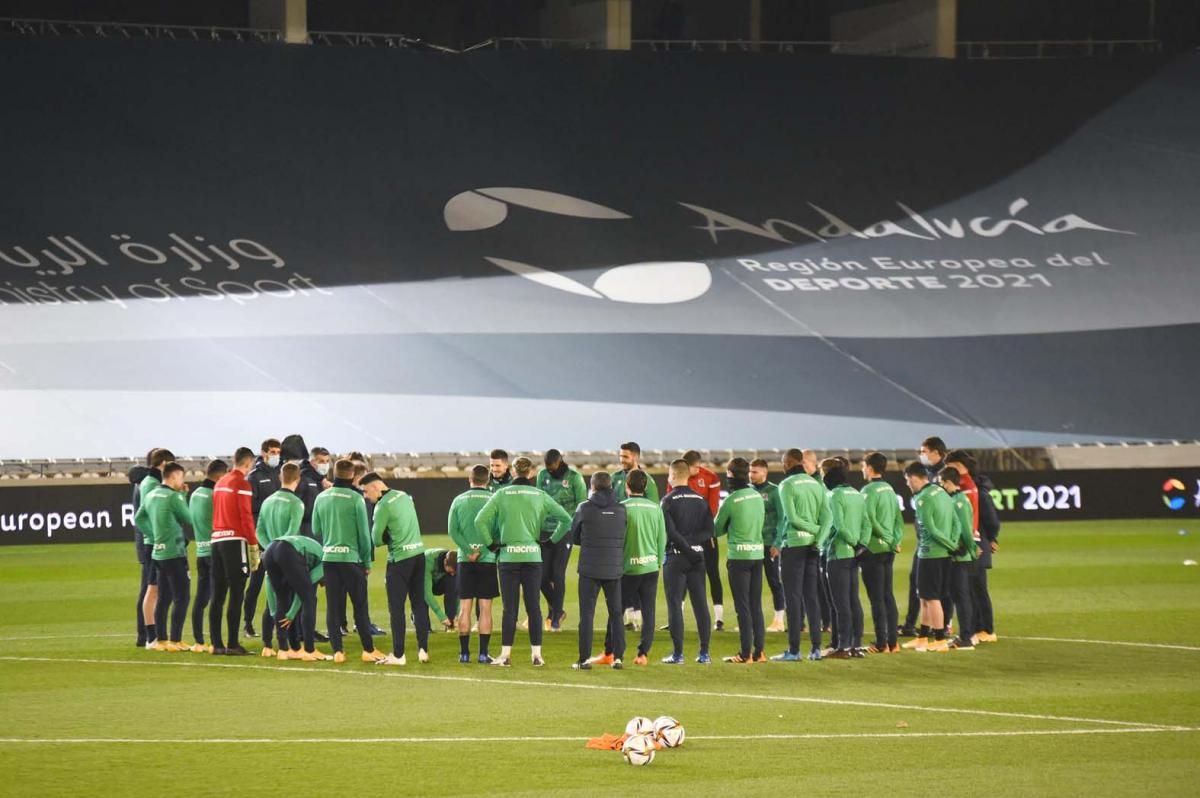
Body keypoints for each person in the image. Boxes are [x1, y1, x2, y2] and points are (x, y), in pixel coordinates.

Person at [474, 456, 573, 667]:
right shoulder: (540, 495)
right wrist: (550, 541)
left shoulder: (501, 494)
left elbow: (479, 521)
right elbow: (566, 519)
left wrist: (491, 544)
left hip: (509, 557)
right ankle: (536, 656)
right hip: (532, 556)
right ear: (530, 473)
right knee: (534, 608)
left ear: (513, 471)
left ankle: (505, 656)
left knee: (510, 609)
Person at [314, 459, 385, 664]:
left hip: (329, 558)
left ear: (333, 473)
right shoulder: (355, 498)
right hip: (351, 559)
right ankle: (368, 650)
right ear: (353, 476)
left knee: (333, 607)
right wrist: (367, 562)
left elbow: (317, 530)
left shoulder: (322, 497)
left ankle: (338, 651)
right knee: (360, 606)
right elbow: (364, 534)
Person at [359, 472, 427, 665]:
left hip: (400, 560)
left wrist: (387, 537)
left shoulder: (382, 505)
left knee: (396, 609)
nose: (365, 496)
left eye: (365, 491)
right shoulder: (404, 495)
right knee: (419, 604)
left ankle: (399, 655)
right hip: (418, 554)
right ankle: (423, 649)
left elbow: (376, 539)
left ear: (374, 487)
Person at [600, 469, 666, 666]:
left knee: (616, 610)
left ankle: (611, 653)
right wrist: (657, 562)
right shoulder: (656, 509)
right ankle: (643, 653)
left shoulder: (622, 508)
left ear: (626, 487)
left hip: (627, 569)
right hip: (650, 568)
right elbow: (661, 539)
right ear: (645, 487)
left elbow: (616, 540)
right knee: (649, 611)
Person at [771, 448, 828, 662]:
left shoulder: (786, 485)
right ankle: (815, 648)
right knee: (811, 597)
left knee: (793, 598)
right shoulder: (816, 483)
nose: (783, 465)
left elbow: (792, 518)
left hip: (794, 545)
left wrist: (810, 530)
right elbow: (828, 518)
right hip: (813, 547)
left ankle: (794, 650)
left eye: (784, 462)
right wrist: (818, 539)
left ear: (789, 462)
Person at [568, 471, 628, 670]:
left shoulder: (583, 508)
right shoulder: (621, 509)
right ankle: (618, 658)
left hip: (589, 568)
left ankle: (584, 659)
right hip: (614, 567)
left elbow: (574, 535)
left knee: (587, 615)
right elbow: (623, 535)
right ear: (611, 486)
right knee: (616, 613)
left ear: (592, 487)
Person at [659, 459, 714, 665]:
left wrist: (685, 547)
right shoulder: (701, 499)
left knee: (675, 605)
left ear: (673, 476)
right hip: (698, 557)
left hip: (676, 557)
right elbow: (710, 531)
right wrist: (693, 546)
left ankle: (678, 654)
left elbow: (671, 532)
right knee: (700, 605)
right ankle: (704, 653)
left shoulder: (668, 500)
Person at [715, 458, 767, 664]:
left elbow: (716, 529)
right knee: (756, 605)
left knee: (742, 606)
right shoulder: (757, 496)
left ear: (730, 474)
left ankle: (745, 654)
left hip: (739, 558)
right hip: (757, 555)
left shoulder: (731, 499)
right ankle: (759, 652)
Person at [901, 461, 957, 653]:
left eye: (908, 480)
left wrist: (951, 545)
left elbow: (931, 530)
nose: (908, 484)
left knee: (931, 598)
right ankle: (923, 637)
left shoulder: (922, 498)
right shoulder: (941, 491)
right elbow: (956, 521)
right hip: (943, 554)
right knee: (925, 596)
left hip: (929, 553)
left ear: (915, 478)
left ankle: (940, 638)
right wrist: (953, 543)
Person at [136, 462, 192, 651]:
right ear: (175, 476)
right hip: (174, 552)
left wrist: (153, 535)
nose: (182, 481)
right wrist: (183, 496)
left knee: (164, 597)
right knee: (182, 596)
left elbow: (139, 518)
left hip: (157, 552)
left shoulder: (151, 495)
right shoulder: (173, 497)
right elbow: (189, 518)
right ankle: (175, 639)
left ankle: (160, 640)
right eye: (181, 477)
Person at [447, 465, 500, 664]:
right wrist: (483, 551)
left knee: (465, 608)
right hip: (486, 560)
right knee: (485, 608)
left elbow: (453, 531)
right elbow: (497, 532)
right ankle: (483, 654)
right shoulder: (494, 500)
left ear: (470, 479)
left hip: (464, 561)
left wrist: (469, 551)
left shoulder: (458, 500)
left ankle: (464, 654)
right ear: (488, 480)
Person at [667, 450, 724, 631]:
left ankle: (719, 618)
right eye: (693, 467)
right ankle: (677, 619)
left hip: (702, 535)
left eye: (698, 467)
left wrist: (693, 533)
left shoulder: (710, 477)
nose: (696, 470)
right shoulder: (679, 479)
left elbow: (713, 509)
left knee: (713, 573)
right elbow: (672, 508)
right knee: (682, 579)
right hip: (684, 537)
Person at [254, 462, 305, 658]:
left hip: (269, 554)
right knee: (290, 600)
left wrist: (270, 549)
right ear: (298, 479)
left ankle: (267, 645)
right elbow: (291, 533)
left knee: (272, 599)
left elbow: (258, 530)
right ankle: (289, 646)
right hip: (288, 555)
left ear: (279, 477)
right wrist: (280, 550)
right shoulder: (296, 503)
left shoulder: (267, 502)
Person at [210, 447, 257, 656]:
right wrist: (253, 543)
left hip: (217, 539)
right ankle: (232, 643)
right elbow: (245, 516)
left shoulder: (220, 482)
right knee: (237, 592)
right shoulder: (242, 484)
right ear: (248, 463)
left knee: (218, 594)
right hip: (234, 540)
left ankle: (216, 644)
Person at [536, 449, 587, 632]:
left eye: (553, 466)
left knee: (557, 574)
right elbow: (538, 502)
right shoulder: (542, 475)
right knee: (541, 577)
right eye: (547, 467)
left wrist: (578, 530)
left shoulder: (574, 478)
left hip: (565, 530)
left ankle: (555, 617)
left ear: (560, 461)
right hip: (545, 530)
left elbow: (582, 505)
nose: (550, 470)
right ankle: (558, 610)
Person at [822, 459, 869, 659]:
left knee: (840, 603)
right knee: (853, 600)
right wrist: (862, 545)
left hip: (838, 552)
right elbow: (867, 523)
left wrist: (852, 542)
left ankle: (842, 646)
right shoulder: (857, 494)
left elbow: (839, 526)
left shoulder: (833, 495)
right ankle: (856, 645)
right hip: (854, 555)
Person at [611, 442, 658, 631]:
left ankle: (638, 618)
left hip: (639, 536)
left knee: (637, 574)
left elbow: (655, 510)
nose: (621, 460)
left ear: (636, 457)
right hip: (619, 536)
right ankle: (629, 618)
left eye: (625, 457)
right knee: (621, 577)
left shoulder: (648, 481)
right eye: (620, 456)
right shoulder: (614, 478)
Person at [860, 452, 902, 654]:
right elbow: (898, 518)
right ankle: (893, 642)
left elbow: (868, 519)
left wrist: (884, 536)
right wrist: (894, 539)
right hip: (888, 548)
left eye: (863, 466)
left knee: (876, 598)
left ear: (869, 468)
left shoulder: (868, 491)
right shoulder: (890, 489)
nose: (861, 469)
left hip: (874, 548)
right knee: (888, 595)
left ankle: (880, 643)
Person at [261, 534, 329, 661]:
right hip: (289, 551)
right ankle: (310, 650)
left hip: (270, 550)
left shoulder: (314, 552)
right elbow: (303, 595)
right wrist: (291, 614)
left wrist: (273, 611)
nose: (323, 585)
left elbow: (268, 580)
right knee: (310, 599)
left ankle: (285, 650)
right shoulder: (325, 563)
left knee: (283, 597)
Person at [134, 448, 175, 648]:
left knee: (154, 588)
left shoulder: (149, 482)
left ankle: (151, 634)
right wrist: (158, 536)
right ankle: (147, 635)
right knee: (151, 588)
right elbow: (148, 514)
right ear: (163, 464)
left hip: (153, 541)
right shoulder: (151, 484)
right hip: (154, 542)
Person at [242, 437, 282, 638]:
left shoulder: (281, 473)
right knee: (256, 581)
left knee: (279, 581)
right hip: (260, 537)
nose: (276, 456)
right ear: (264, 452)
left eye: (278, 452)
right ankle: (247, 622)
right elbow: (249, 508)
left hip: (279, 536)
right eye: (273, 452)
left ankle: (277, 621)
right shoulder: (254, 477)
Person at [188, 459, 227, 653]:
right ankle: (215, 641)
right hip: (215, 551)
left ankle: (199, 640)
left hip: (201, 550)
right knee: (217, 599)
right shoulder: (214, 495)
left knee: (201, 598)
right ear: (220, 476)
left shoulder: (195, 494)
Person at [941, 468, 978, 651]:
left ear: (948, 481)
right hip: (956, 554)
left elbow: (966, 529)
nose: (941, 485)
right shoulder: (954, 500)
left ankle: (966, 637)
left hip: (960, 556)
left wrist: (971, 549)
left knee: (961, 596)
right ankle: (966, 634)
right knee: (958, 596)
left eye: (942, 482)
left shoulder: (960, 501)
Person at [750, 458, 786, 633]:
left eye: (755, 472)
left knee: (774, 581)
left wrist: (778, 542)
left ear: (764, 472)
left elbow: (782, 518)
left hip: (768, 543)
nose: (751, 475)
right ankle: (752, 620)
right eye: (750, 471)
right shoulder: (748, 491)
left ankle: (779, 620)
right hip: (752, 545)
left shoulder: (774, 491)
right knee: (752, 584)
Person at [973, 468, 1002, 643]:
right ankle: (977, 627)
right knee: (971, 589)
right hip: (977, 542)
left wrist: (990, 538)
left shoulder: (979, 492)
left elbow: (992, 520)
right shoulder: (971, 489)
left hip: (979, 544)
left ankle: (987, 628)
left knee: (978, 588)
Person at [422, 548, 459, 636]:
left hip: (439, 581)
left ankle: (451, 624)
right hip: (422, 582)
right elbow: (426, 592)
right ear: (445, 563)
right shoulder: (427, 561)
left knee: (452, 581)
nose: (453, 573)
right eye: (451, 571)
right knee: (421, 592)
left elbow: (458, 592)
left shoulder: (455, 562)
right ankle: (423, 625)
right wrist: (441, 616)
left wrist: (457, 615)